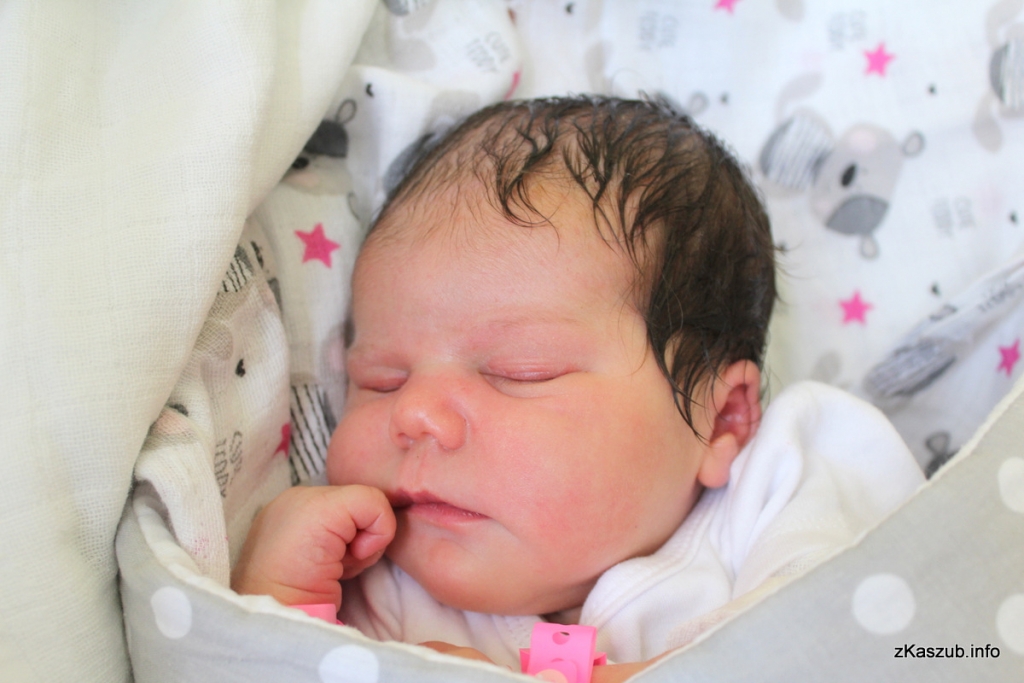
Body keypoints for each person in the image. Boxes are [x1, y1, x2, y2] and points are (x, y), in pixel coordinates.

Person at [231, 96, 923, 681]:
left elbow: (885, 643)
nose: (414, 414)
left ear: (721, 420)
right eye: (380, 380)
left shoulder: (782, 483)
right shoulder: (378, 591)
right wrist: (275, 607)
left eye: (518, 371)